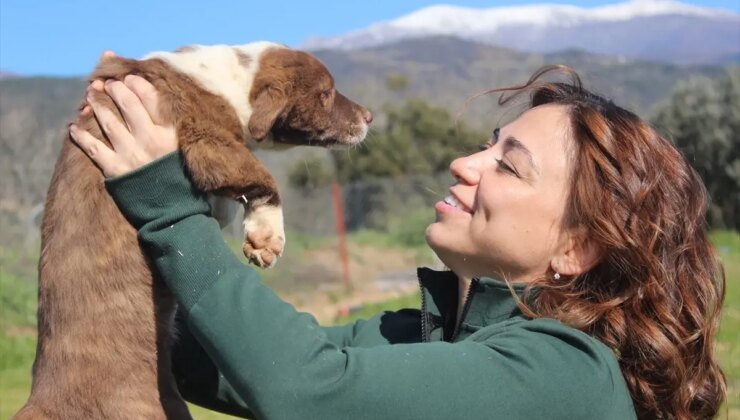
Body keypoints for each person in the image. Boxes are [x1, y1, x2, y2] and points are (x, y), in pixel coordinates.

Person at [69, 65, 726, 420]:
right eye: (488, 147)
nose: (466, 164)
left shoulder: (565, 376)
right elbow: (231, 365)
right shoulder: (432, 332)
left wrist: (168, 210)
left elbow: (304, 389)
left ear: (576, 251)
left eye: (508, 165)